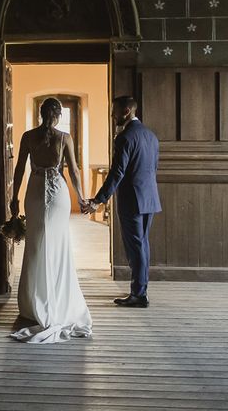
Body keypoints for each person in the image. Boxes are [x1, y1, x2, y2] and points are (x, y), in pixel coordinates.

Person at [8, 97, 92, 344]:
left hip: (34, 192)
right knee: (57, 244)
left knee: (35, 244)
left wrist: (13, 197)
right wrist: (82, 197)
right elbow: (74, 171)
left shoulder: (27, 136)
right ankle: (55, 297)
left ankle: (33, 304)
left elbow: (19, 168)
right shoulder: (64, 138)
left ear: (41, 113)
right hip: (57, 193)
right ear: (57, 116)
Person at [84, 96, 161, 308]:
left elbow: (117, 173)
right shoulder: (151, 136)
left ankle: (139, 294)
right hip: (150, 198)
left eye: (115, 111)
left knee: (135, 247)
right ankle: (140, 290)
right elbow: (153, 168)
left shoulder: (125, 137)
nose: (112, 115)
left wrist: (98, 200)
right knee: (142, 245)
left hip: (133, 201)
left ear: (126, 111)